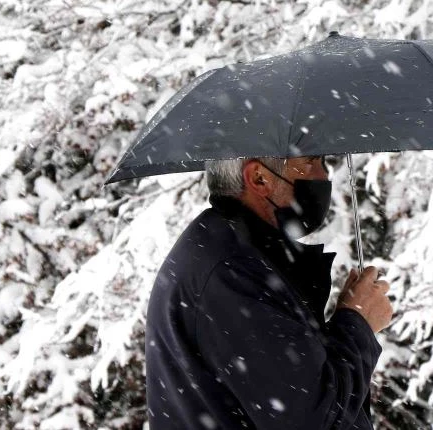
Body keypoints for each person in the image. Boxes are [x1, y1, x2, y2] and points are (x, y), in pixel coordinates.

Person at [145, 155, 394, 429]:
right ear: (259, 178)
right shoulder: (231, 274)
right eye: (312, 162)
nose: (324, 177)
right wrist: (357, 325)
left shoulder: (240, 253)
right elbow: (310, 418)